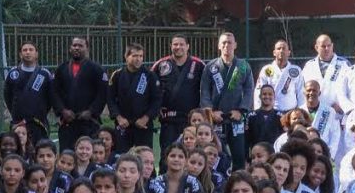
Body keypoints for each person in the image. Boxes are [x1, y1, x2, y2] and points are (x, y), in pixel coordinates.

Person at [201, 32, 255, 170]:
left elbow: (249, 90)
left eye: (230, 42)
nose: (226, 45)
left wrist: (241, 111)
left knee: (239, 155)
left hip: (236, 118)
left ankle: (238, 184)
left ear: (235, 45)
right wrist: (210, 112)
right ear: (219, 45)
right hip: (216, 118)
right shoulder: (211, 67)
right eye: (223, 42)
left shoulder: (243, 66)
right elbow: (205, 90)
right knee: (215, 154)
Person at [152, 35, 205, 167]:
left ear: (188, 46)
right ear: (171, 46)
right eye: (175, 44)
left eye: (181, 44)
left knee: (192, 155)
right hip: (168, 119)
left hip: (191, 121)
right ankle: (164, 184)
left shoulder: (198, 65)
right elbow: (150, 88)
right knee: (167, 154)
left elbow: (207, 89)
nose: (178, 47)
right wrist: (155, 108)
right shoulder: (161, 65)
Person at [52, 37, 107, 151]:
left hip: (89, 123)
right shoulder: (61, 69)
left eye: (80, 46)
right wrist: (62, 110)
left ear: (87, 48)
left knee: (88, 154)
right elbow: (54, 92)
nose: (77, 48)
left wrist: (91, 111)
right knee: (66, 155)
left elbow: (102, 94)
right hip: (67, 122)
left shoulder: (96, 69)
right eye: (74, 45)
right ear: (70, 48)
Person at [107, 43, 162, 154]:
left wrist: (146, 118)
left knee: (144, 156)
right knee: (121, 156)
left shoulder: (149, 76)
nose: (138, 59)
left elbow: (157, 100)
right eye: (135, 56)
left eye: (141, 56)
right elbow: (110, 99)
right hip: (123, 124)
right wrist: (118, 117)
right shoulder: (117, 75)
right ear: (126, 56)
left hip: (143, 125)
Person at [3, 41, 54, 142]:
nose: (28, 52)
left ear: (36, 54)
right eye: (24, 50)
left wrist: (40, 112)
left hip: (38, 123)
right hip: (18, 123)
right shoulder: (13, 73)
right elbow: (7, 96)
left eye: (31, 50)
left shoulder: (44, 74)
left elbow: (50, 97)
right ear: (20, 54)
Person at [302, 34, 350, 112]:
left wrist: (343, 106)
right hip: (315, 110)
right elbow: (303, 89)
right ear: (316, 47)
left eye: (329, 46)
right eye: (323, 46)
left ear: (332, 46)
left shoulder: (344, 64)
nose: (327, 49)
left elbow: (350, 88)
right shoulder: (309, 65)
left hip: (337, 111)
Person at [255, 39, 304, 112]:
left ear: (289, 53)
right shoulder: (266, 70)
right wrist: (258, 110)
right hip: (271, 112)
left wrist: (302, 111)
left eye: (284, 48)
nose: (281, 51)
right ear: (274, 52)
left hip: (291, 112)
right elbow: (258, 92)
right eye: (278, 49)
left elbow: (301, 93)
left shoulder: (296, 70)